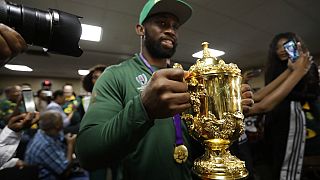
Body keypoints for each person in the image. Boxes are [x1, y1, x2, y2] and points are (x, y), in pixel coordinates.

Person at [75, 1, 254, 180]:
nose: (171, 30)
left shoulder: (190, 77)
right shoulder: (115, 75)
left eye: (175, 26)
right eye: (162, 23)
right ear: (140, 29)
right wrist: (144, 108)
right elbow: (87, 154)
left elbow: (201, 133)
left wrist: (226, 111)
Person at [251, 32, 318, 180]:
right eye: (278, 47)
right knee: (274, 156)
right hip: (273, 115)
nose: (282, 50)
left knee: (288, 160)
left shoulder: (305, 66)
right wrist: (295, 71)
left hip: (293, 115)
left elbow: (261, 99)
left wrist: (298, 71)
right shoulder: (279, 69)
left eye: (285, 46)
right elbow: (260, 99)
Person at [24, 111, 85, 180]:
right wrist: (70, 144)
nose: (63, 122)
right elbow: (65, 173)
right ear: (57, 125)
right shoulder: (46, 145)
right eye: (62, 121)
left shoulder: (42, 132)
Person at [0, 97, 40, 170]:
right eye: (16, 91)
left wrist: (15, 162)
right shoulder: (5, 103)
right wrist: (13, 131)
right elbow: (7, 119)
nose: (17, 93)